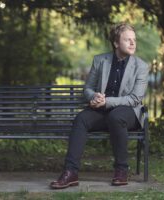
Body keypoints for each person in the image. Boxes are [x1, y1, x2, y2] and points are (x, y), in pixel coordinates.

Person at [50, 23, 149, 189]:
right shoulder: (100, 60)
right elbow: (87, 88)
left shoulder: (141, 66)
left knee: (116, 116)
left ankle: (121, 170)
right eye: (127, 40)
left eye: (134, 40)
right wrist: (94, 96)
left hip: (129, 113)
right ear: (116, 43)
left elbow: (135, 98)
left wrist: (107, 101)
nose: (133, 43)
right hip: (103, 111)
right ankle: (70, 172)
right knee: (81, 118)